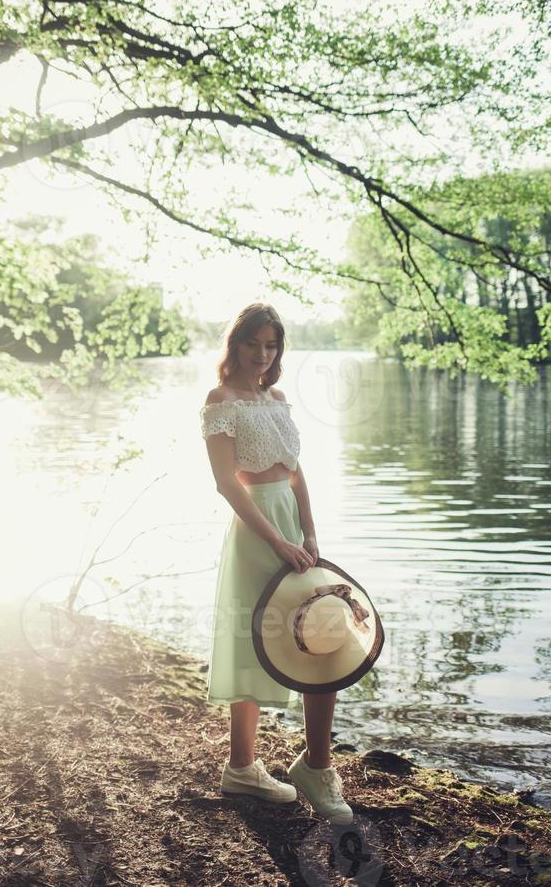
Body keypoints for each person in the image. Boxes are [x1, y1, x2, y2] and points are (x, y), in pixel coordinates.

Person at [199, 302, 353, 824]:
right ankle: (241, 767)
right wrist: (278, 543)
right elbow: (226, 483)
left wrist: (308, 532)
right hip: (255, 531)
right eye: (253, 344)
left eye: (272, 345)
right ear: (235, 344)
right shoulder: (220, 401)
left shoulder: (278, 398)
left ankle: (315, 765)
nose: (263, 355)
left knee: (325, 632)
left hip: (292, 525)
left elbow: (295, 472)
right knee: (254, 641)